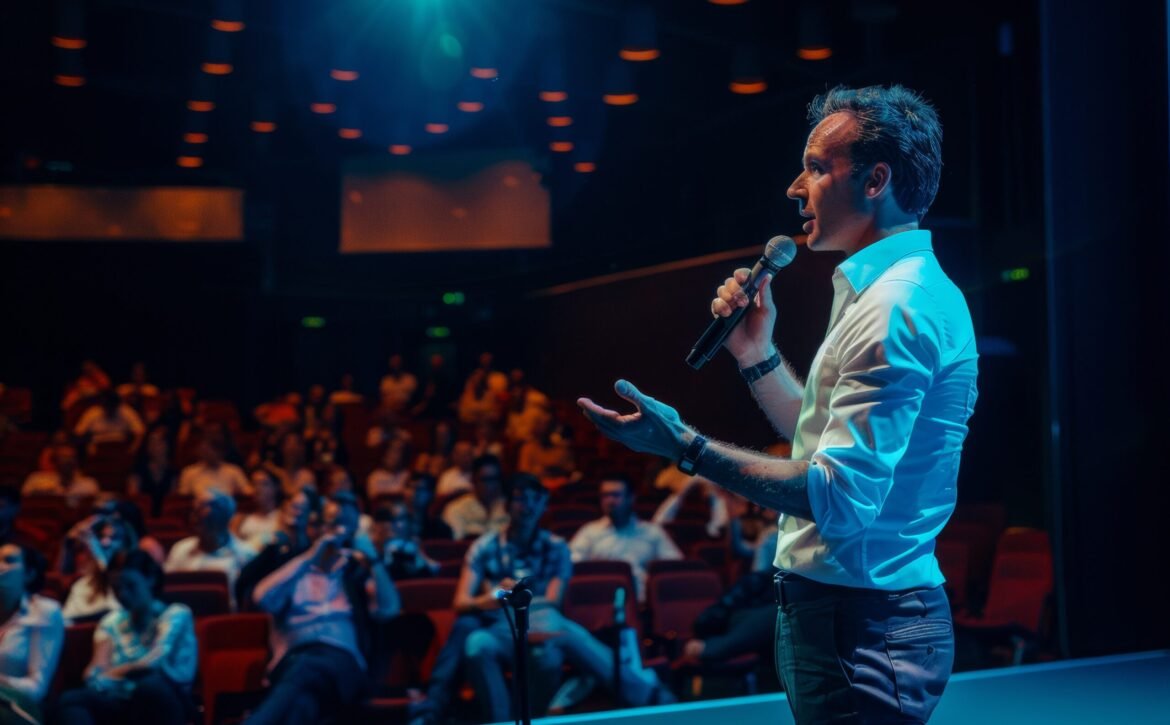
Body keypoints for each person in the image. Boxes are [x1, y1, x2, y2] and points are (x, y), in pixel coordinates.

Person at [579, 85, 977, 723]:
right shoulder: (888, 293)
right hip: (852, 617)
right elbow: (816, 445)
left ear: (876, 180)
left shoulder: (895, 307)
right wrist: (755, 353)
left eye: (817, 168)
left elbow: (837, 498)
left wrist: (684, 447)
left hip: (860, 624)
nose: (796, 188)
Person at [409, 475, 672, 725]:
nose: (528, 506)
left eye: (534, 499)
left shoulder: (556, 547)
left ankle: (534, 719)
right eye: (520, 498)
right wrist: (495, 597)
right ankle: (646, 693)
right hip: (502, 626)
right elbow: (461, 602)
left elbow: (554, 600)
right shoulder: (485, 546)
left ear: (543, 504)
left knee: (549, 653)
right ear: (507, 504)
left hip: (543, 625)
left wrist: (517, 597)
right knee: (477, 643)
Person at [245, 493, 401, 724]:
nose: (340, 532)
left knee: (307, 668)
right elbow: (262, 598)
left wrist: (374, 560)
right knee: (303, 705)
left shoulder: (356, 573)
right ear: (315, 527)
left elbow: (388, 610)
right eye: (333, 523)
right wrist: (311, 556)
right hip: (293, 660)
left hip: (343, 665)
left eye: (347, 525)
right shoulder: (295, 570)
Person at [56, 551, 197, 725]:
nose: (122, 594)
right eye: (116, 588)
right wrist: (120, 674)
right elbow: (92, 675)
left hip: (167, 699)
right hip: (121, 699)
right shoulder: (112, 621)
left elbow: (152, 664)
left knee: (149, 686)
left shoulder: (176, 614)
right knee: (71, 699)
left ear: (151, 579)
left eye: (130, 586)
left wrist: (116, 672)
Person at [569, 473, 682, 603]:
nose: (610, 501)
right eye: (605, 495)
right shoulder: (589, 532)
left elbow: (674, 566)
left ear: (631, 498)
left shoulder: (652, 532)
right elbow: (571, 565)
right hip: (600, 602)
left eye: (615, 495)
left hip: (643, 603)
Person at [0, 543, 64, 724]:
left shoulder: (44, 611)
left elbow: (37, 688)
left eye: (9, 560)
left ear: (29, 573)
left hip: (18, 706)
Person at [164, 489, 256, 607]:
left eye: (203, 509)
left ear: (225, 517)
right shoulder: (180, 549)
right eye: (194, 511)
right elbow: (167, 592)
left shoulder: (246, 555)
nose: (195, 517)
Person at [440, 454, 509, 541]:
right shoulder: (456, 509)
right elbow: (456, 544)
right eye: (485, 480)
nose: (490, 485)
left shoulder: (510, 508)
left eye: (494, 479)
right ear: (473, 480)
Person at [177, 430, 252, 498]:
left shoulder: (233, 471)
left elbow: (248, 493)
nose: (208, 453)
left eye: (211, 450)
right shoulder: (189, 472)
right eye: (204, 450)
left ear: (221, 451)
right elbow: (183, 498)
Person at [72, 389, 145, 455]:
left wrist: (132, 450)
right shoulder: (92, 413)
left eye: (112, 406)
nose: (110, 409)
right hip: (98, 446)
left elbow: (140, 432)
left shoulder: (127, 412)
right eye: (107, 406)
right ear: (102, 405)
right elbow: (79, 433)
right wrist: (88, 445)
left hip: (120, 446)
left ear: (117, 404)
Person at [126, 427, 178, 518]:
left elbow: (173, 500)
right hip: (141, 516)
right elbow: (133, 497)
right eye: (150, 442)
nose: (152, 446)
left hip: (167, 518)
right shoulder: (138, 468)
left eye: (158, 442)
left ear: (167, 445)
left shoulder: (174, 470)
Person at [21, 445, 98, 503]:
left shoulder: (89, 484)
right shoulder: (37, 481)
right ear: (56, 462)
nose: (66, 462)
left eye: (70, 458)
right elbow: (25, 496)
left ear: (77, 461)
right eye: (62, 458)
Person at [232, 469, 284, 550]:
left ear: (276, 488)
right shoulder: (240, 518)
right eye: (254, 484)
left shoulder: (283, 518)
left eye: (264, 484)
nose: (258, 488)